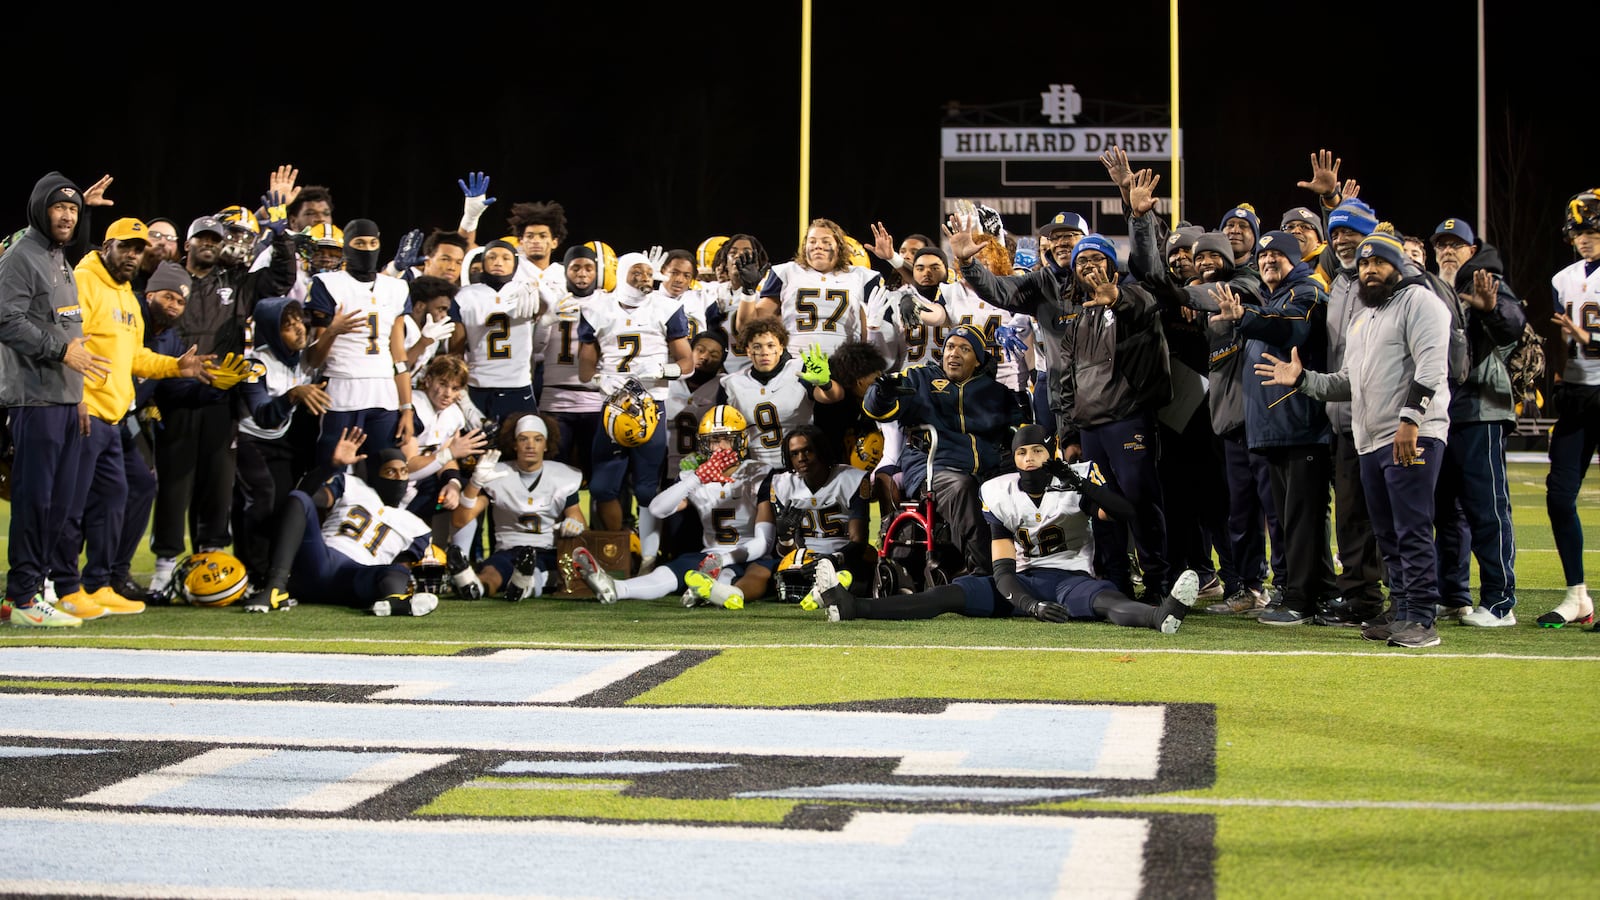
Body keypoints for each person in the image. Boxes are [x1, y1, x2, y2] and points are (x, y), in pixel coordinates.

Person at [1256, 231, 1453, 649]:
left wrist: (1411, 421)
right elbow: (1349, 382)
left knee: (1412, 528)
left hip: (1410, 434)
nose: (1369, 270)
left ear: (1397, 267)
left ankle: (1421, 617)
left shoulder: (1420, 302)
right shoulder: (1365, 317)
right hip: (1370, 440)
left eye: (1378, 263)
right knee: (1386, 534)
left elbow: (1433, 366)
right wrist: (1303, 380)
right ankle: (1401, 610)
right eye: (1363, 265)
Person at [816, 425, 1201, 631]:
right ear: (1014, 458)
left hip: (1071, 578)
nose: (1030, 459)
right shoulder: (998, 491)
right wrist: (1030, 605)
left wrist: (1079, 482)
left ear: (1049, 453)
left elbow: (1123, 513)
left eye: (1037, 451)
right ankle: (854, 607)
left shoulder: (1077, 480)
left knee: (1107, 604)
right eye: (1022, 452)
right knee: (947, 596)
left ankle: (1159, 616)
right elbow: (1002, 569)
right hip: (1021, 583)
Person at [50, 218, 216, 620]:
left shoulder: (126, 293)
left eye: (138, 250)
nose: (132, 255)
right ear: (107, 245)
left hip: (115, 416)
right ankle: (63, 586)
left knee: (120, 494)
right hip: (86, 411)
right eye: (125, 247)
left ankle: (100, 583)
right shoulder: (84, 280)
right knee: (72, 503)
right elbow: (68, 342)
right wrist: (76, 398)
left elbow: (134, 357)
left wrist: (176, 366)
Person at [0, 173, 110, 627]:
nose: (67, 216)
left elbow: (69, 326)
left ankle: (35, 588)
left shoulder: (56, 256)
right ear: (39, 210)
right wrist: (61, 351)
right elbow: (6, 320)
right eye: (58, 208)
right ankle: (21, 598)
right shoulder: (21, 256)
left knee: (60, 505)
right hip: (34, 401)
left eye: (73, 210)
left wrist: (79, 395)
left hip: (64, 401)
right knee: (35, 502)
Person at [1210, 230, 1335, 626]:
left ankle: (1301, 600)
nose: (1267, 263)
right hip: (1276, 431)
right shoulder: (1276, 298)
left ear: (1295, 259)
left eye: (1276, 256)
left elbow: (1291, 330)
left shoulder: (1308, 293)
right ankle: (1320, 593)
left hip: (1300, 427)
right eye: (1262, 259)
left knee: (1300, 520)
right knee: (1290, 518)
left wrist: (1245, 316)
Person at [863, 324, 1025, 577]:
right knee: (962, 487)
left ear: (979, 361)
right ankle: (987, 573)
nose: (954, 354)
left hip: (987, 471)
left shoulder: (996, 393)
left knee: (1017, 488)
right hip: (933, 469)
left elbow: (1021, 431)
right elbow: (877, 408)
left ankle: (1032, 568)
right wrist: (881, 394)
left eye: (965, 349)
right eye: (950, 346)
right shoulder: (921, 378)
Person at [1427, 216, 1526, 627]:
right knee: (1444, 511)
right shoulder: (1433, 286)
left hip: (1480, 412)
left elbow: (1513, 325)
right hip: (1443, 414)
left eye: (1456, 244)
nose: (1448, 250)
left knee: (1487, 508)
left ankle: (1501, 602)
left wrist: (1490, 311)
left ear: (1472, 249)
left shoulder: (1487, 282)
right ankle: (1453, 595)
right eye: (1442, 244)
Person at [574, 406, 773, 609]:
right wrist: (696, 479)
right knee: (667, 572)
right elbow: (657, 509)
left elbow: (764, 542)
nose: (720, 447)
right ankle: (616, 588)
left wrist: (722, 559)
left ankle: (711, 591)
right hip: (709, 555)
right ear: (704, 444)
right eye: (714, 440)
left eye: (727, 439)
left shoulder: (758, 473)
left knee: (732, 574)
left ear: (740, 441)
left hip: (748, 555)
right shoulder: (694, 476)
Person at [578, 252, 693, 568]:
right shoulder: (596, 308)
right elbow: (585, 368)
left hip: (650, 405)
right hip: (613, 406)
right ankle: (617, 551)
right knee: (602, 486)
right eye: (637, 272)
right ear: (623, 273)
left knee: (645, 487)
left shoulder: (667, 307)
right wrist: (597, 380)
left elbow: (688, 362)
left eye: (648, 272)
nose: (645, 277)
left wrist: (663, 369)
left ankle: (648, 557)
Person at [254, 426, 438, 616]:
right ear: (374, 473)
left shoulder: (417, 527)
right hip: (319, 558)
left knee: (394, 571)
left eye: (404, 472)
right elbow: (308, 496)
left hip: (355, 577)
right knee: (299, 498)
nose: (399, 478)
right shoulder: (352, 485)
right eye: (390, 472)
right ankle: (275, 587)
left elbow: (402, 567)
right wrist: (330, 466)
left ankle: (394, 600)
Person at [303, 218, 416, 472]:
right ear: (347, 248)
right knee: (330, 472)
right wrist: (333, 330)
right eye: (360, 242)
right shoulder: (327, 284)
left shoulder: (397, 288)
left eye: (373, 242)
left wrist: (406, 408)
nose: (367, 248)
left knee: (384, 474)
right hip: (341, 390)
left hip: (384, 394)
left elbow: (398, 355)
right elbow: (313, 360)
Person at [233, 297, 329, 587]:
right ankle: (253, 574)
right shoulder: (255, 364)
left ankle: (278, 571)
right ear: (272, 331)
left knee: (284, 506)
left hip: (283, 443)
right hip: (251, 441)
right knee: (260, 500)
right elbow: (263, 415)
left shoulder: (300, 359)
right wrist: (292, 395)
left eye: (300, 321)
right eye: (288, 326)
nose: (299, 329)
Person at [1539, 189, 1600, 629]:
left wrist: (1587, 340)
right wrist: (1556, 377)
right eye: (1578, 230)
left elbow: (1580, 336)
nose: (1584, 238)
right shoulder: (1563, 279)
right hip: (1577, 399)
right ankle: (1577, 595)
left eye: (1592, 229)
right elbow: (1561, 341)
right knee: (1560, 497)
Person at [450, 415, 585, 601]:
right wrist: (474, 483)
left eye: (537, 439)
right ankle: (475, 587)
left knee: (536, 571)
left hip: (546, 549)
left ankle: (523, 587)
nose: (530, 445)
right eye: (523, 439)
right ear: (514, 444)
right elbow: (460, 520)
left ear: (546, 445)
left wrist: (573, 524)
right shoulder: (497, 474)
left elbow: (577, 518)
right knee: (491, 573)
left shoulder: (562, 476)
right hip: (508, 549)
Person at [745, 425, 873, 601]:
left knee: (862, 571)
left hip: (842, 558)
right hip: (803, 561)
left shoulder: (851, 479)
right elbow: (786, 551)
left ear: (821, 450)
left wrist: (830, 560)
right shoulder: (783, 484)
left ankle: (830, 588)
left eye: (807, 451)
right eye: (794, 454)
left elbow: (859, 542)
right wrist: (784, 537)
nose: (801, 459)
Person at [745, 218, 879, 358]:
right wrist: (747, 291)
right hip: (795, 360)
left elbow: (870, 328)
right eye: (812, 241)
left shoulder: (861, 276)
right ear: (805, 246)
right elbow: (752, 323)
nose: (818, 246)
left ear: (839, 247)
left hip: (845, 363)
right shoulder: (786, 272)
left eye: (826, 241)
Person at [720, 316, 841, 468]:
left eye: (770, 345)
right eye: (757, 347)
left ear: (781, 348)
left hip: (802, 465)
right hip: (756, 470)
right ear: (748, 351)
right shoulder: (731, 384)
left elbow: (834, 396)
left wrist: (826, 384)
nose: (764, 352)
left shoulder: (798, 369)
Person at [451, 240, 541, 420]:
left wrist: (536, 286)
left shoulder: (525, 290)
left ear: (516, 264)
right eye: (492, 257)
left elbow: (555, 308)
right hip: (478, 384)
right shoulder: (465, 295)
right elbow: (455, 354)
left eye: (506, 258)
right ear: (482, 262)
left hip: (518, 385)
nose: (498, 262)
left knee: (521, 445)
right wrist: (461, 395)